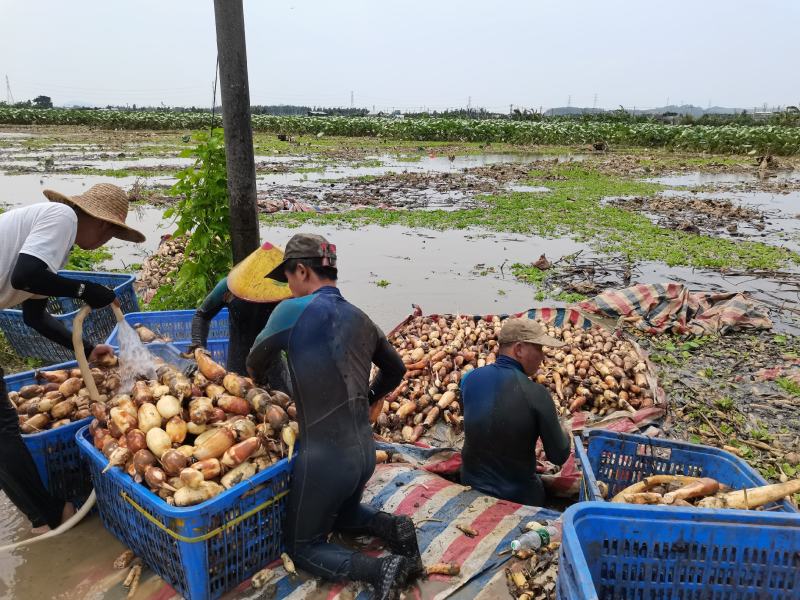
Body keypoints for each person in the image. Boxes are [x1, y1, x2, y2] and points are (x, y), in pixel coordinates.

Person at [247, 234, 419, 600]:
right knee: (341, 515)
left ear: (302, 270)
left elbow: (254, 362)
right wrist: (369, 398)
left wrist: (272, 388)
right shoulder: (360, 317)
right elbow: (396, 369)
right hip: (363, 453)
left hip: (324, 458)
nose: (289, 287)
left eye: (289, 278)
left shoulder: (291, 310)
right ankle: (393, 527)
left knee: (301, 544)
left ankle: (377, 569)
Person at [0, 183, 145, 533]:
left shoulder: (52, 243)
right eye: (111, 235)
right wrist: (85, 289)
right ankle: (49, 518)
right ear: (103, 224)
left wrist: (91, 347)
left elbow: (36, 315)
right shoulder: (62, 216)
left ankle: (45, 514)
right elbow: (24, 276)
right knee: (2, 426)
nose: (105, 243)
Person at [460, 317, 571, 506]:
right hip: (519, 497)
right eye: (538, 349)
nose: (542, 356)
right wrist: (564, 430)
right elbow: (558, 456)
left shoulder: (469, 379)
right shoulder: (537, 394)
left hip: (470, 483)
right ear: (519, 349)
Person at [188, 241, 292, 392]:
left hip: (272, 366)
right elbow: (202, 315)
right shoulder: (231, 286)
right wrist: (198, 348)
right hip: (237, 367)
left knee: (286, 408)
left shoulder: (286, 291)